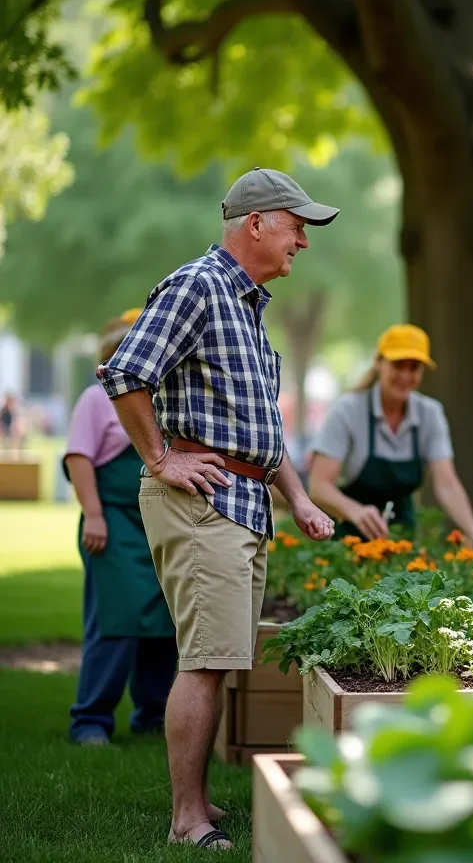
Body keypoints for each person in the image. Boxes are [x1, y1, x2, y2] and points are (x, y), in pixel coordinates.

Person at [98, 167, 337, 850]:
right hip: (203, 502)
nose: (304, 242)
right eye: (297, 226)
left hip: (243, 501)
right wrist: (161, 458)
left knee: (220, 655)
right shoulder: (199, 285)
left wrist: (299, 499)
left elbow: (263, 433)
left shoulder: (249, 307)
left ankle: (198, 800)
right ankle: (186, 819)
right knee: (204, 661)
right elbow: (123, 373)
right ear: (257, 223)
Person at [64, 310, 178, 746]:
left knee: (166, 621)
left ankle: (152, 715)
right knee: (118, 620)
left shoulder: (164, 395)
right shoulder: (97, 398)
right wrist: (93, 514)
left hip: (159, 522)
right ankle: (90, 720)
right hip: (112, 524)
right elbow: (78, 458)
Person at [307, 324, 473, 558]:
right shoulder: (349, 410)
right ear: (379, 363)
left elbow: (446, 483)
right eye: (397, 365)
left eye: (414, 368)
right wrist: (356, 512)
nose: (405, 375)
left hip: (401, 536)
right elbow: (318, 486)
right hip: (345, 538)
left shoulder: (430, 413)